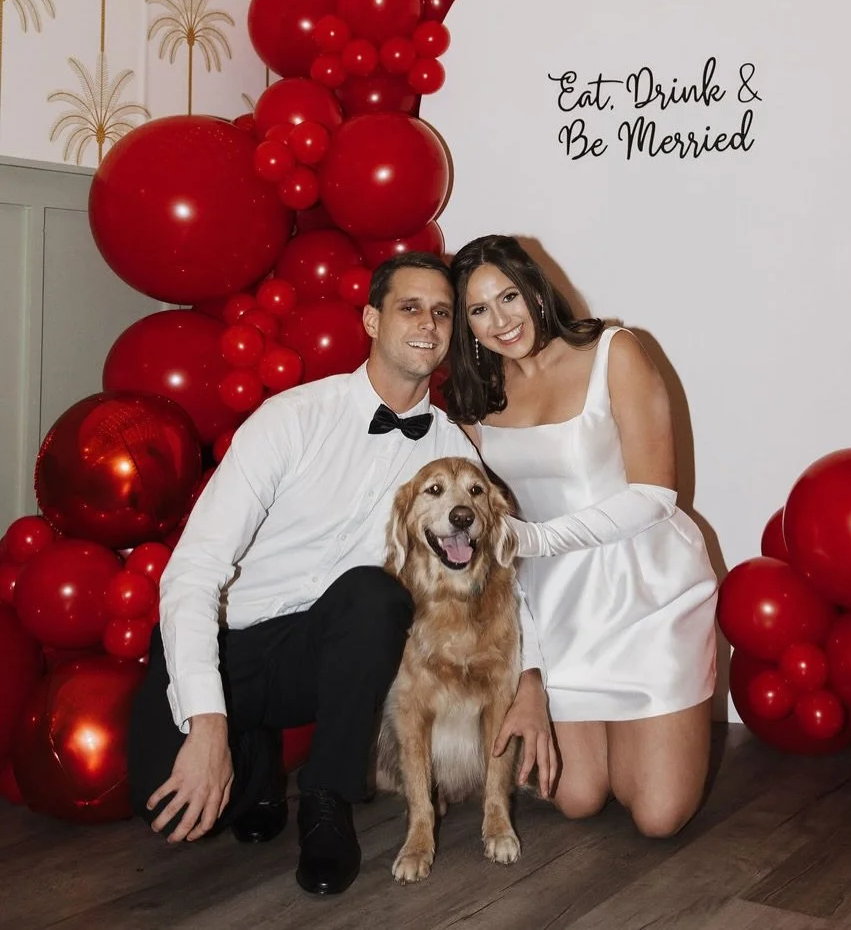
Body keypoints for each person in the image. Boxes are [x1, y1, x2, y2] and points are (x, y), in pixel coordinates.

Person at [128, 252, 556, 899]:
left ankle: (326, 800)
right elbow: (193, 570)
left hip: (324, 651)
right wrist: (209, 723)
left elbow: (501, 565)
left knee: (375, 596)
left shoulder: (450, 453)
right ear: (371, 317)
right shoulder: (292, 419)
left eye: (442, 312)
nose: (428, 323)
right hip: (228, 644)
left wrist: (530, 679)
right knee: (169, 803)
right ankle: (255, 762)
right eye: (410, 307)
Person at [444, 235, 718, 839]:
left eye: (509, 296)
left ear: (537, 289)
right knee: (577, 798)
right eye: (479, 311)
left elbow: (653, 496)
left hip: (646, 588)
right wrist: (522, 669)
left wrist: (535, 541)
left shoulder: (615, 351)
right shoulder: (476, 402)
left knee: (658, 816)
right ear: (466, 326)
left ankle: (663, 721)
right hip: (555, 604)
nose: (501, 321)